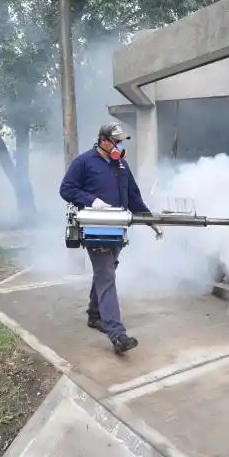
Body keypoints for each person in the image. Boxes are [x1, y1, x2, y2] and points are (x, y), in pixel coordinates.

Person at [59, 122, 162, 354]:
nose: (120, 145)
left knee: (107, 271)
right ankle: (117, 334)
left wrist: (150, 221)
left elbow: (134, 197)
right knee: (106, 275)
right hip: (95, 231)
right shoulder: (84, 162)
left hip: (117, 231)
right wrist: (91, 200)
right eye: (116, 141)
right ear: (103, 140)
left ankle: (95, 315)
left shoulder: (122, 165)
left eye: (121, 141)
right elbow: (66, 189)